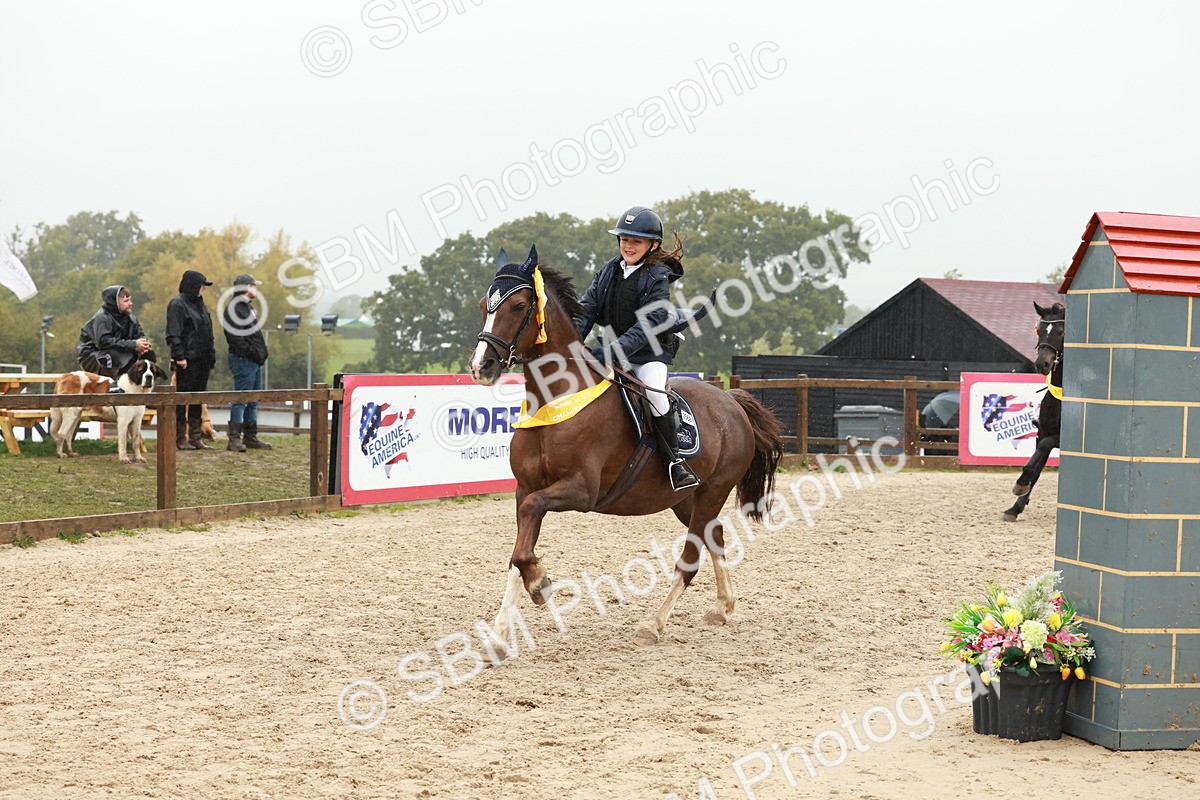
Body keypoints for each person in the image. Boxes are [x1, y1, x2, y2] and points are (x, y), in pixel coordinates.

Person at [576, 205, 700, 491]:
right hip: (611, 352)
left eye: (636, 241)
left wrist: (614, 350)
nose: (628, 246)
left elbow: (649, 323)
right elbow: (587, 309)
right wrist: (571, 341)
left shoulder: (658, 276)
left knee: (655, 394)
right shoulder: (608, 270)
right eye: (624, 239)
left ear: (652, 245)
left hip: (647, 355)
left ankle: (675, 462)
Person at [165, 269, 216, 451]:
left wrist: (211, 356)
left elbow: (207, 332)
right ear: (194, 286)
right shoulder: (178, 304)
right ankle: (180, 437)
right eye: (202, 285)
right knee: (182, 398)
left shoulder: (200, 305)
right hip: (187, 360)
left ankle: (195, 437)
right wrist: (179, 356)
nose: (204, 289)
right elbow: (174, 333)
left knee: (197, 398)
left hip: (202, 360)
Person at [222, 273, 271, 452]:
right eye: (253, 285)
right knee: (241, 399)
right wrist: (253, 353)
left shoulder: (246, 307)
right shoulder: (235, 308)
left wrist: (260, 353)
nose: (255, 289)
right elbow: (236, 339)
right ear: (246, 287)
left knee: (253, 400)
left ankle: (250, 437)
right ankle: (234, 439)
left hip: (252, 360)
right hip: (243, 360)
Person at [76, 285, 156, 391]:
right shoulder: (102, 318)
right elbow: (103, 342)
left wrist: (144, 344)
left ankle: (144, 387)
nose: (130, 303)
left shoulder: (131, 318)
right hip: (92, 354)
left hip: (118, 350)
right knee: (110, 356)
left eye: (130, 300)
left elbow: (139, 334)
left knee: (149, 354)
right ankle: (109, 389)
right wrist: (133, 345)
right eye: (126, 301)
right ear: (114, 302)